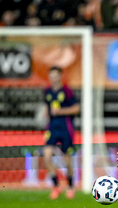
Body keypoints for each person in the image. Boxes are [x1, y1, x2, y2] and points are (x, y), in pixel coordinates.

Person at [43, 66, 80, 200]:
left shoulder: (67, 91)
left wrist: (60, 112)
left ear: (60, 76)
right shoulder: (47, 91)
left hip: (66, 127)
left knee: (67, 159)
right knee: (46, 156)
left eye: (56, 75)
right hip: (52, 127)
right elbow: (47, 108)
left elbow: (76, 108)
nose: (53, 78)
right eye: (51, 75)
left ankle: (70, 186)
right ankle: (56, 186)